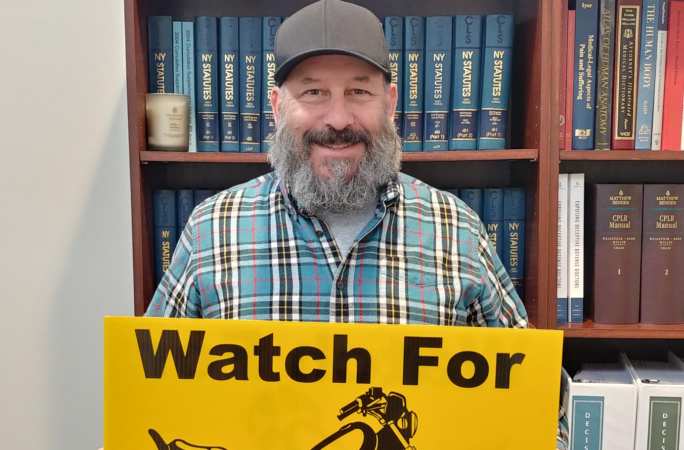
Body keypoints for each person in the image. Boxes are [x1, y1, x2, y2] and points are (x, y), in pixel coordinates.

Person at [143, 1, 569, 448]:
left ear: (389, 102)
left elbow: (536, 408)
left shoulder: (457, 229)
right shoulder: (211, 229)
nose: (339, 119)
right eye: (313, 93)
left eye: (359, 92)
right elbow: (152, 396)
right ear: (276, 106)